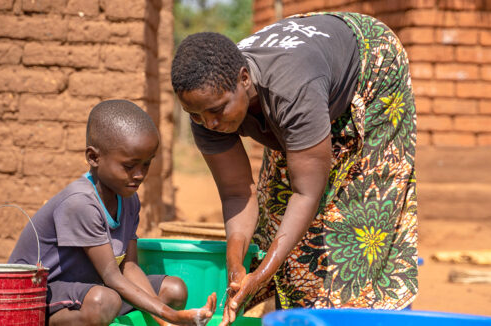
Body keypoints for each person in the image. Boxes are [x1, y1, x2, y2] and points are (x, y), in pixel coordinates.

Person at [171, 11, 418, 325]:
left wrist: (261, 275)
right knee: (276, 209)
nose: (209, 123)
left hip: (371, 70)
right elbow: (236, 194)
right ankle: (285, 310)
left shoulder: (291, 91)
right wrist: (237, 264)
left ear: (244, 79)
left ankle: (357, 315)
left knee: (354, 226)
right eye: (195, 115)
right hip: (309, 71)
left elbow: (306, 194)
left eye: (217, 111)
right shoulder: (206, 104)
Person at [9, 99, 216, 326]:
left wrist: (164, 320)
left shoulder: (128, 198)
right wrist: (170, 315)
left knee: (174, 290)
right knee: (104, 302)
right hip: (38, 293)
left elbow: (129, 267)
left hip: (91, 287)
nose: (139, 175)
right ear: (94, 157)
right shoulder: (81, 203)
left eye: (146, 164)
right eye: (129, 166)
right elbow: (111, 276)